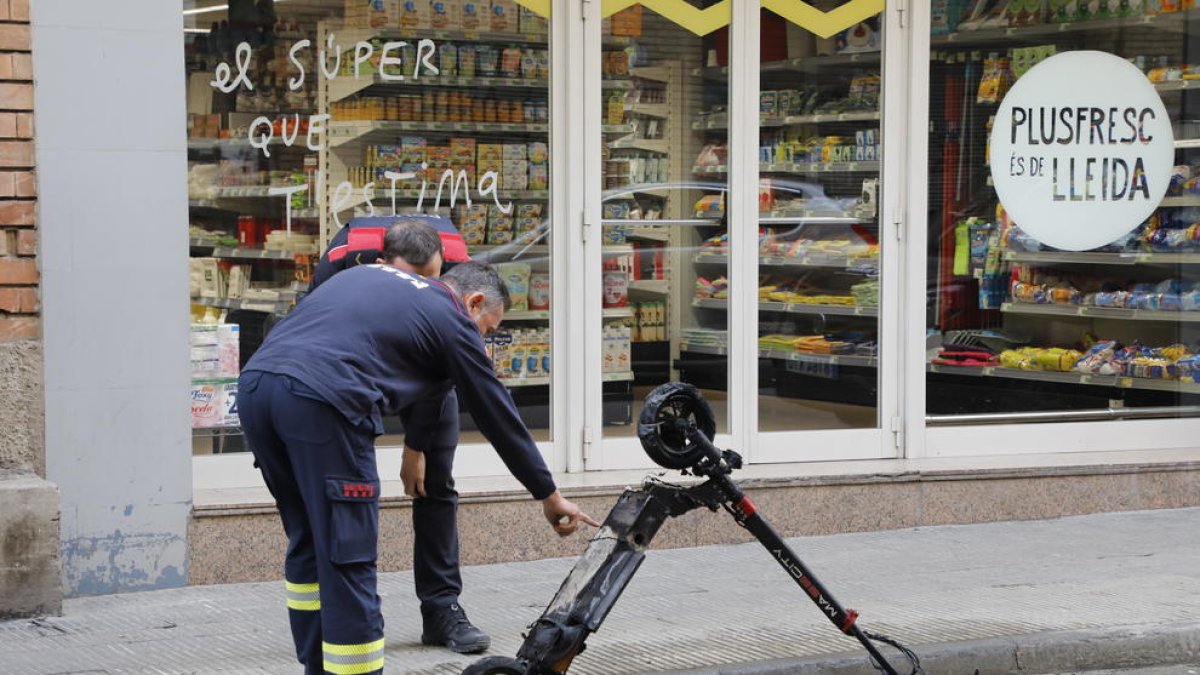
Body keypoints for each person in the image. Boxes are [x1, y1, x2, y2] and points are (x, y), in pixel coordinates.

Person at [238, 257, 599, 675]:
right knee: (347, 555)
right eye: (488, 330)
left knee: (307, 540)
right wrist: (548, 494)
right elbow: (494, 410)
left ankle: (316, 667)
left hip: (257, 389)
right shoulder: (451, 317)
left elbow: (430, 383)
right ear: (474, 301)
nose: (484, 343)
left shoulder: (372, 279)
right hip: (323, 401)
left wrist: (415, 448)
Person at [309, 217, 499, 655]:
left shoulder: (455, 267)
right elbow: (315, 333)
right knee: (337, 487)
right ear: (381, 263)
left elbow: (447, 360)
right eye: (414, 281)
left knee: (436, 484)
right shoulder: (341, 262)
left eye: (431, 282)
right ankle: (338, 610)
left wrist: (416, 447)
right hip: (350, 365)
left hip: (427, 358)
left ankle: (441, 608)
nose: (423, 293)